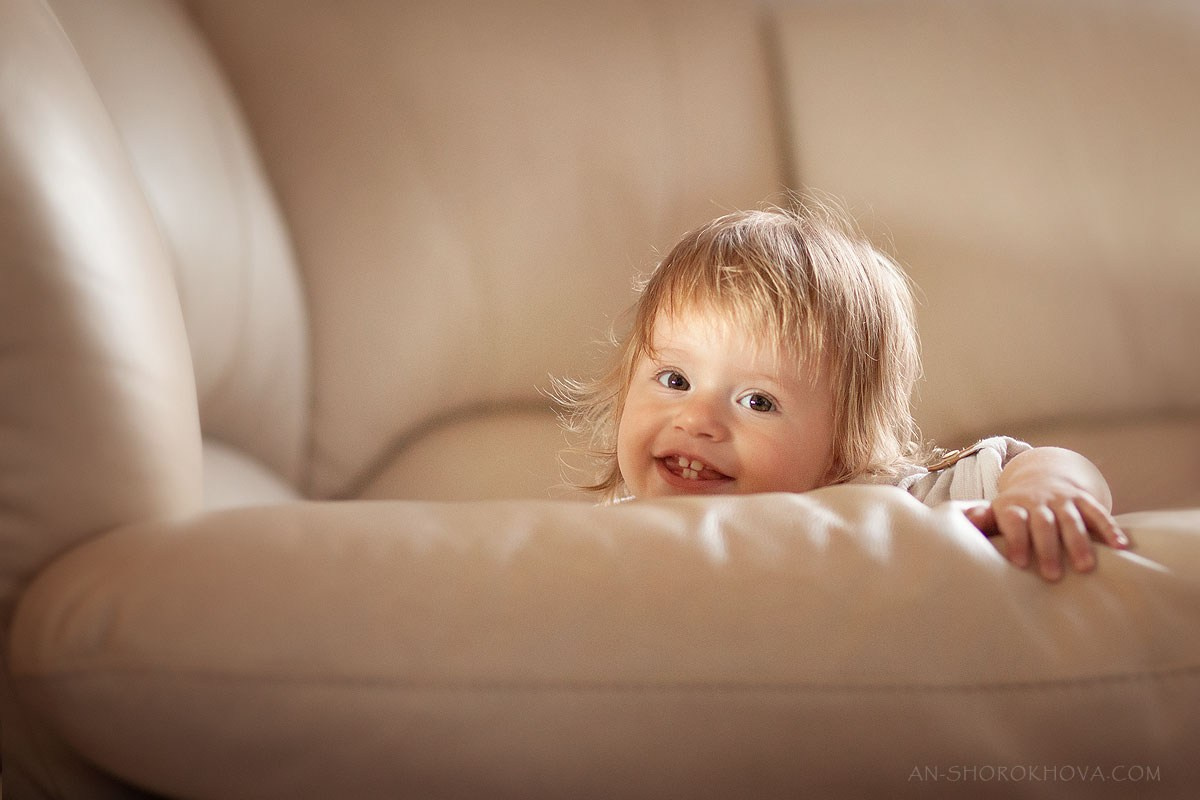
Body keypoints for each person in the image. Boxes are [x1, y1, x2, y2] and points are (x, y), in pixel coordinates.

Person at [555, 201, 1129, 582]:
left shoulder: (891, 504)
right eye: (674, 380)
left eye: (758, 401)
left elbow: (1040, 464)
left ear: (842, 445)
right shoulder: (613, 540)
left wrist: (1048, 490)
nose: (697, 420)